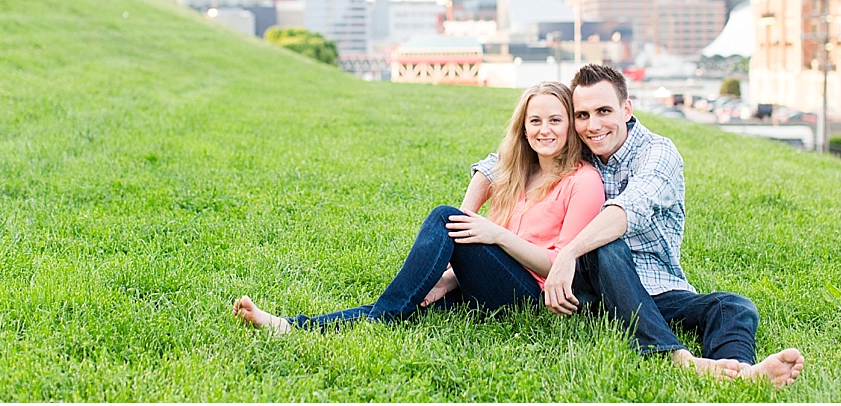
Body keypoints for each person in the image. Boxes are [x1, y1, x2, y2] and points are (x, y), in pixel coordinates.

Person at [463, 64, 805, 389]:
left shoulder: (657, 153)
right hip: (591, 288)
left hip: (656, 288)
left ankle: (740, 370)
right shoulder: (583, 141)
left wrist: (567, 252)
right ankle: (677, 357)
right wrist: (462, 222)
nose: (593, 124)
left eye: (604, 111)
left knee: (733, 306)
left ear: (626, 109)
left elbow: (627, 209)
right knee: (608, 245)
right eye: (582, 115)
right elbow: (497, 164)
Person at [234, 81, 605, 335]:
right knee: (412, 301)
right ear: (522, 130)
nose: (545, 130)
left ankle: (381, 319)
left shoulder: (583, 181)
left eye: (555, 120)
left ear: (571, 126)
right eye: (535, 121)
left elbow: (561, 265)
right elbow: (493, 248)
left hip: (534, 298)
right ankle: (289, 326)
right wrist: (449, 279)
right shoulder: (518, 174)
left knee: (446, 218)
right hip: (490, 286)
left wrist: (497, 234)